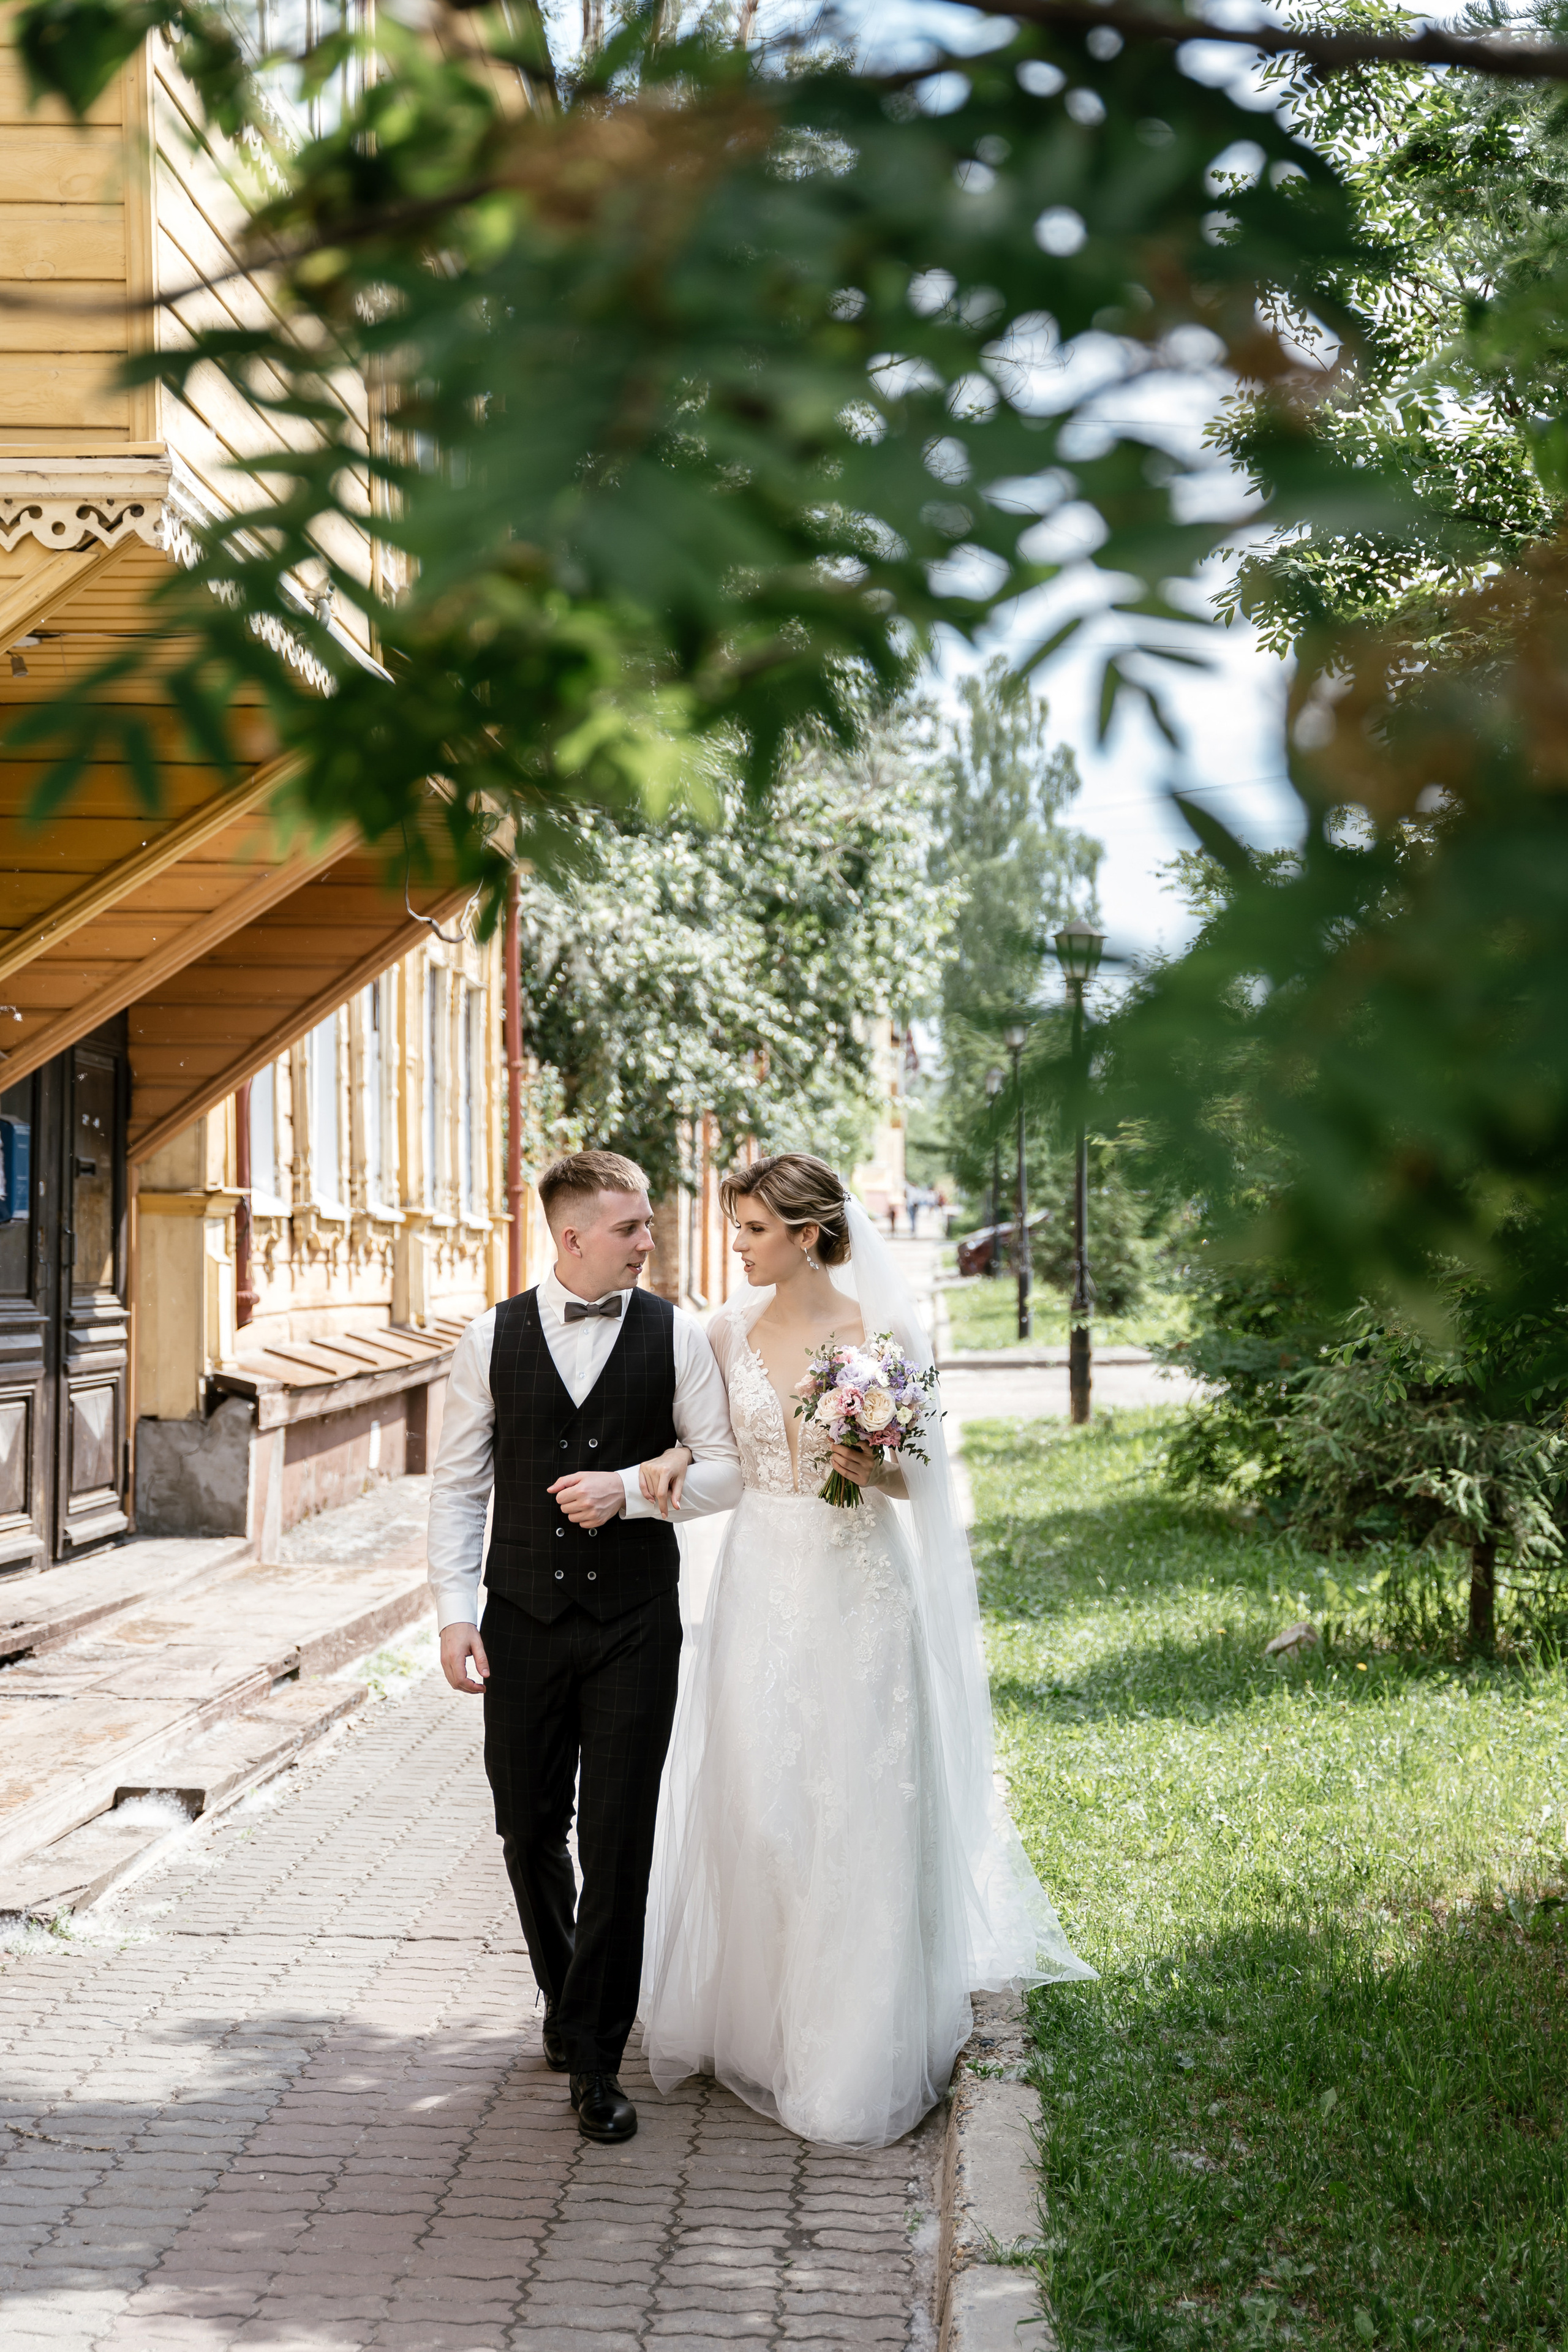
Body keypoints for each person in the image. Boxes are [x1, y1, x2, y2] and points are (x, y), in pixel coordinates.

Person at [636, 1153, 1093, 2149]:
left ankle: (853, 2050)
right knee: (765, 1808)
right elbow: (707, 1446)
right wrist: (672, 1457)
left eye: (754, 1229)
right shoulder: (721, 1332)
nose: (739, 1247)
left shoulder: (879, 1335)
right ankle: (763, 2029)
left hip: (860, 1590)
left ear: (806, 1234)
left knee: (857, 1805)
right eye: (738, 1228)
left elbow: (919, 1479)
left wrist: (874, 1464)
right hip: (761, 1583)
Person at [426, 1150, 742, 2146]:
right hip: (518, 1618)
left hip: (637, 1624)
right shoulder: (490, 1338)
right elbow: (458, 1486)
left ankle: (598, 2058)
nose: (650, 1241)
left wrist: (636, 1490)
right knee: (527, 1830)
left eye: (647, 1224)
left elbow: (728, 1469)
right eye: (631, 1228)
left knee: (618, 1843)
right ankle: (570, 2004)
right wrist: (452, 1609)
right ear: (571, 1238)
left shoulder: (676, 1335)